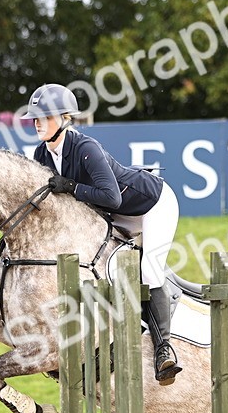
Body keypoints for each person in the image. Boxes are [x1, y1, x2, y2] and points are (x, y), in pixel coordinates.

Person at [23, 83, 182, 385]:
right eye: (35, 117)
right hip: (114, 215)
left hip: (152, 204)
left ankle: (164, 352)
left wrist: (71, 187)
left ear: (65, 118)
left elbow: (112, 198)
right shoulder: (41, 153)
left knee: (148, 270)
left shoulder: (85, 148)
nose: (37, 123)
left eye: (44, 116)